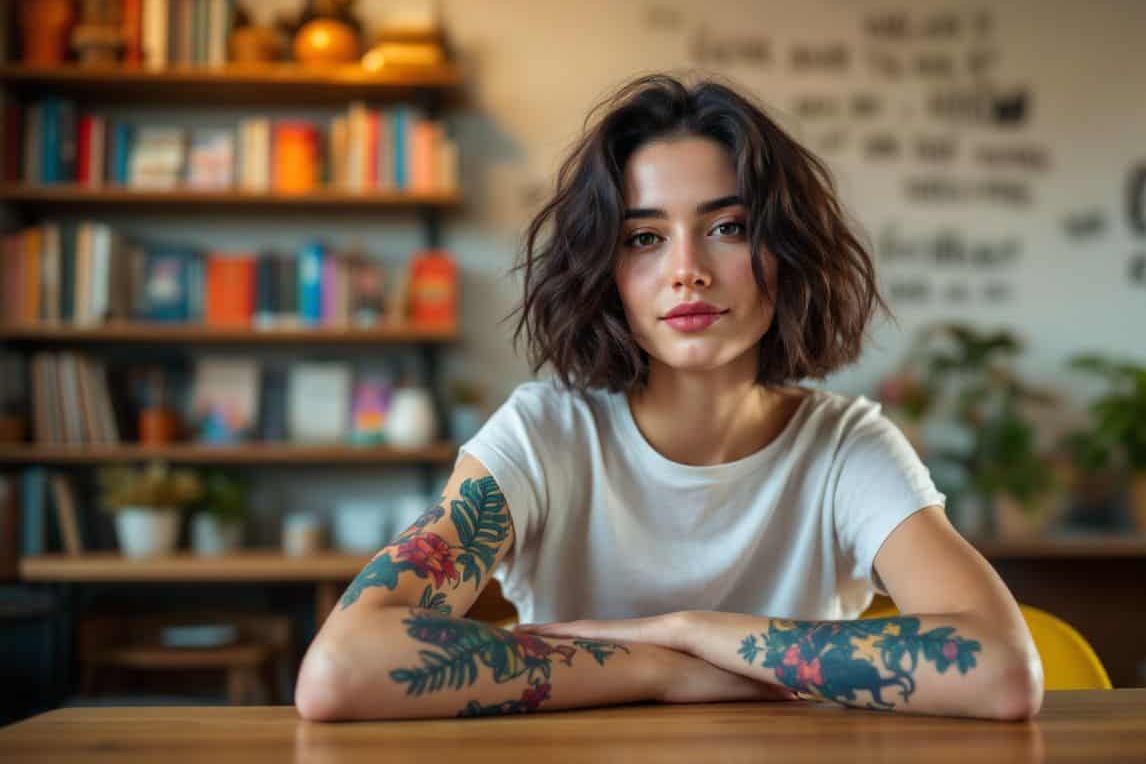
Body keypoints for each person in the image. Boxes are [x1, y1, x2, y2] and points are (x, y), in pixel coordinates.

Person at [296, 74, 1043, 722]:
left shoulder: (846, 446)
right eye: (644, 238)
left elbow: (1002, 670)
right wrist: (664, 668)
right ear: (604, 270)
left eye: (727, 227)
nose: (687, 270)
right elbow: (341, 667)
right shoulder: (541, 434)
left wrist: (692, 627)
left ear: (785, 252)